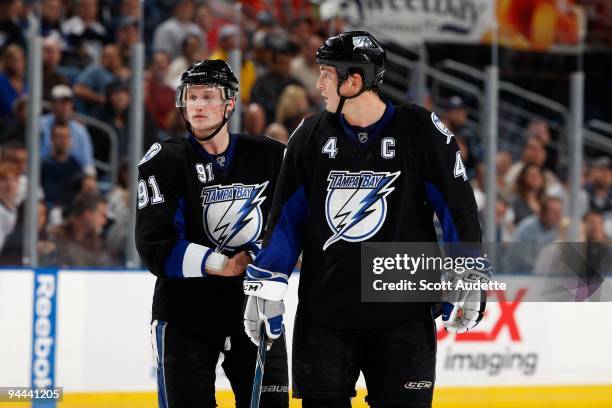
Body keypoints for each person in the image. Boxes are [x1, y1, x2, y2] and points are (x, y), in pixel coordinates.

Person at [243, 31, 488, 408]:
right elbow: (286, 222)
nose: (319, 82)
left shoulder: (420, 130)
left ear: (354, 81)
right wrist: (266, 282)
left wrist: (468, 271)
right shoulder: (309, 136)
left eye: (326, 73)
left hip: (402, 317)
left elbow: (458, 207)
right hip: (325, 317)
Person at [135, 60, 288, 408]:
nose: (199, 105)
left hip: (255, 312)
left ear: (230, 103)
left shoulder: (270, 157)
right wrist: (224, 264)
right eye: (192, 97)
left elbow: (297, 222)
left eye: (208, 96)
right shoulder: (165, 160)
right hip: (184, 315)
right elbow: (154, 245)